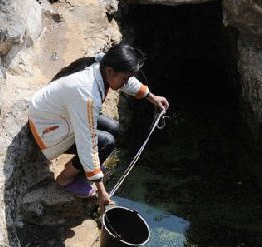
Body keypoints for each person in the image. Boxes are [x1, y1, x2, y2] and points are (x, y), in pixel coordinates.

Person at [28, 42, 169, 209]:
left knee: (113, 128)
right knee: (106, 142)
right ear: (110, 71)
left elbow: (128, 81)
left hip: (58, 115)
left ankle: (77, 167)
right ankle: (65, 178)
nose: (126, 82)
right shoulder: (87, 95)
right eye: (124, 78)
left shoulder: (102, 65)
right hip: (47, 130)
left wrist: (151, 97)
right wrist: (101, 190)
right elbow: (87, 143)